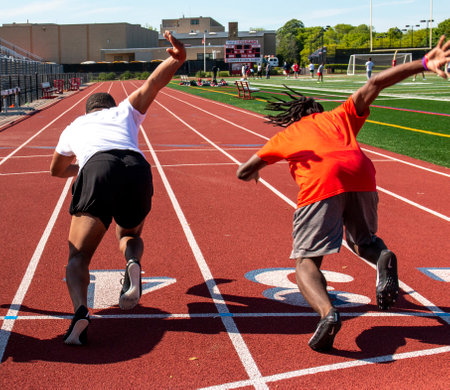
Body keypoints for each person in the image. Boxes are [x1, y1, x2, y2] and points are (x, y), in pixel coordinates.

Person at [236, 36, 450, 352]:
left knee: (307, 261)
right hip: (362, 172)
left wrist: (255, 169)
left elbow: (242, 170)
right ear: (318, 110)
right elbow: (374, 83)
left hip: (322, 182)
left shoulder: (288, 134)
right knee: (363, 241)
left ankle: (327, 313)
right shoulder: (339, 117)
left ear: (294, 116)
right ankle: (383, 258)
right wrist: (423, 63)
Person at [50, 31, 186, 346]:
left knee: (78, 255)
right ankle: (132, 265)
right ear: (110, 106)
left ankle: (81, 312)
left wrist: (78, 171)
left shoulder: (74, 127)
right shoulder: (124, 111)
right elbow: (152, 84)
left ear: (87, 112)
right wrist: (176, 59)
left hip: (97, 168)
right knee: (129, 236)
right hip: (137, 168)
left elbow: (55, 169)